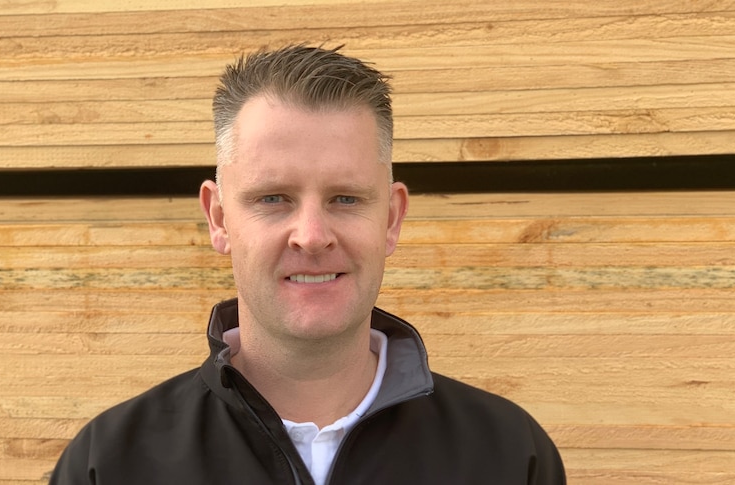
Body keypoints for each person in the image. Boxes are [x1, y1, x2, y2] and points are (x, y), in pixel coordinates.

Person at [49, 44, 565, 484]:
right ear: (220, 218)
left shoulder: (508, 456)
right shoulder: (111, 464)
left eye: (345, 199)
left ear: (391, 218)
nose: (312, 236)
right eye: (273, 199)